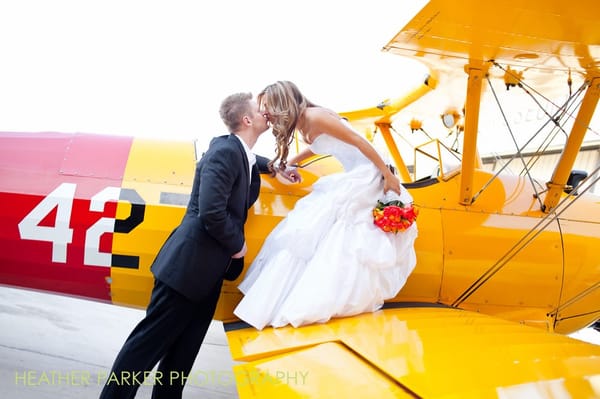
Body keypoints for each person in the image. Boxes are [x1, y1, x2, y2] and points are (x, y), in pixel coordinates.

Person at [99, 92, 271, 399]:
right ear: (247, 119)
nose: (267, 113)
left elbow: (250, 163)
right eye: (261, 110)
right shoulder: (225, 151)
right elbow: (211, 210)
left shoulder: (240, 154)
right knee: (144, 349)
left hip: (206, 274)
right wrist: (237, 245)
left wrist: (278, 167)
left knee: (182, 356)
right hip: (187, 269)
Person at [233, 80, 418, 330]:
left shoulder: (314, 116)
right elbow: (319, 146)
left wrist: (387, 174)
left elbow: (359, 142)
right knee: (307, 228)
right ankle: (290, 294)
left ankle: (323, 296)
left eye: (269, 106)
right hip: (356, 172)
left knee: (333, 229)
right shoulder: (303, 122)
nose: (267, 113)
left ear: (283, 102)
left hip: (367, 173)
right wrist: (293, 162)